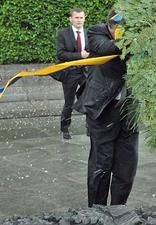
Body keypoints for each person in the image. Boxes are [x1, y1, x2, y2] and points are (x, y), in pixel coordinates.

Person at [74, 10, 139, 207]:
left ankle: (119, 208)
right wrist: (135, 40)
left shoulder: (139, 39)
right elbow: (105, 49)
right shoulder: (96, 32)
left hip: (129, 111)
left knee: (126, 166)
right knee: (101, 164)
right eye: (118, 29)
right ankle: (97, 210)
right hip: (103, 110)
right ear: (111, 27)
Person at [55, 8, 89, 139]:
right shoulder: (63, 34)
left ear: (84, 19)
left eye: (81, 18)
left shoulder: (87, 33)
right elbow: (60, 54)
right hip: (69, 73)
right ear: (71, 19)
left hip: (85, 72)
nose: (79, 20)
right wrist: (79, 55)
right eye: (76, 18)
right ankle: (65, 128)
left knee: (89, 99)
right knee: (69, 102)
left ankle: (90, 127)